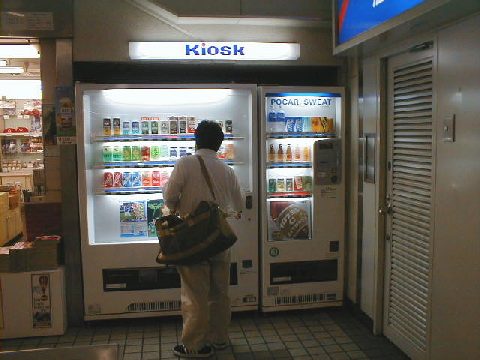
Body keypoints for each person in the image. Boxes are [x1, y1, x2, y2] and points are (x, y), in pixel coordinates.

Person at [163, 120, 243, 358]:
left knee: (194, 294)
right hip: (219, 239)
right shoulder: (228, 170)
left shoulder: (185, 163)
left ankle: (196, 345)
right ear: (219, 144)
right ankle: (219, 338)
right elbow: (238, 205)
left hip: (193, 240)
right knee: (220, 292)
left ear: (195, 140)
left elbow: (169, 197)